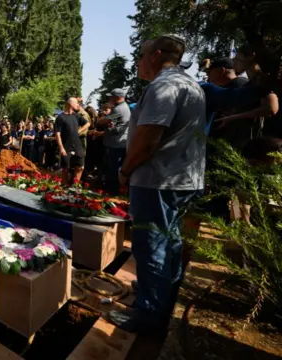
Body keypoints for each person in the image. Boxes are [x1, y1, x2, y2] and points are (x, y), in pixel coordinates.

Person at [109, 34, 206, 333]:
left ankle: (148, 315)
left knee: (150, 246)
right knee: (170, 242)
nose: (138, 61)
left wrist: (125, 171)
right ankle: (161, 292)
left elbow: (147, 140)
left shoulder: (164, 86)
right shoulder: (191, 85)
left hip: (158, 180)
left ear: (156, 55)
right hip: (182, 179)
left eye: (141, 55)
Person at [98, 88, 131, 194]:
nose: (109, 98)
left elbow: (103, 121)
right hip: (118, 143)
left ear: (117, 97)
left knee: (112, 169)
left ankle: (111, 191)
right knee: (113, 168)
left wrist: (103, 122)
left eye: (111, 96)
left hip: (115, 144)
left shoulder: (118, 109)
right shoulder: (122, 107)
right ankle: (112, 189)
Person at [55, 98, 90, 184]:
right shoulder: (60, 117)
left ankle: (75, 187)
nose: (78, 105)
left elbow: (88, 123)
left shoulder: (76, 116)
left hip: (78, 145)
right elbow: (57, 134)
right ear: (71, 104)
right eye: (76, 103)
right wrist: (61, 148)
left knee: (80, 167)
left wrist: (79, 130)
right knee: (65, 169)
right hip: (66, 146)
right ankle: (64, 188)